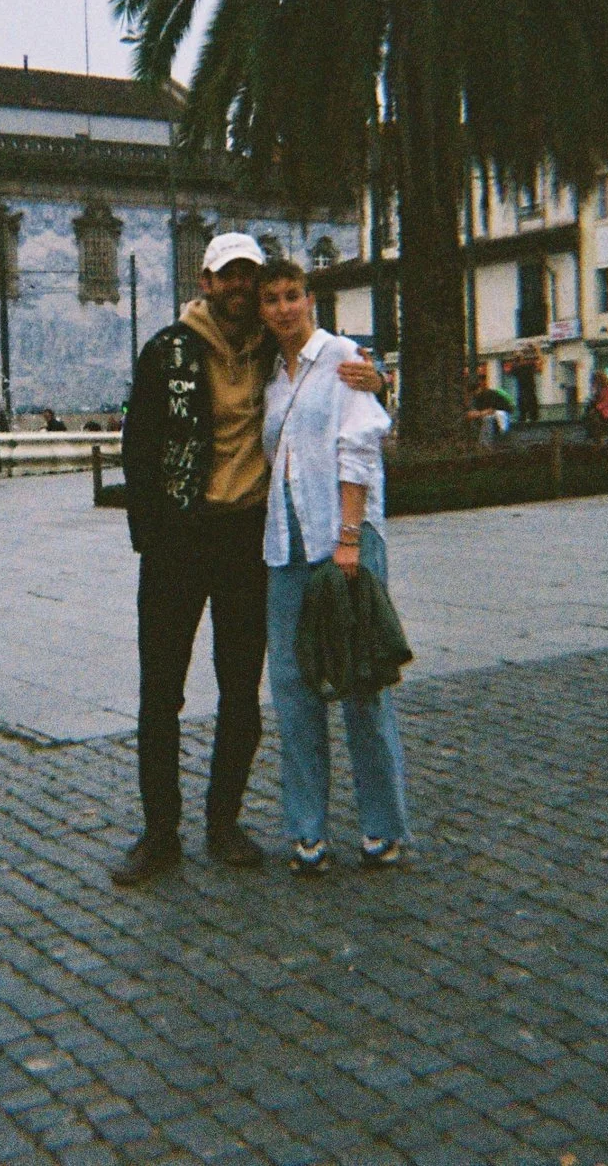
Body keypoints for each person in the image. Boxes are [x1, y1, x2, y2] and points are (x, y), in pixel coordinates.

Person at [113, 232, 384, 886]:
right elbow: (138, 444)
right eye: (226, 276)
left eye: (249, 277)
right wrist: (150, 535)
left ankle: (223, 821)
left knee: (240, 690)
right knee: (161, 692)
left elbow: (340, 379)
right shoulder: (168, 351)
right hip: (180, 541)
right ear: (205, 282)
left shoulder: (273, 348)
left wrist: (381, 379)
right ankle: (159, 834)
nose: (239, 287)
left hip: (244, 541)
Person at [256, 258, 408, 874]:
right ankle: (307, 830)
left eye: (292, 295)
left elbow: (359, 448)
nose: (283, 308)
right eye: (271, 299)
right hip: (286, 545)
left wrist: (348, 539)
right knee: (293, 689)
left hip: (342, 539)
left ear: (310, 299)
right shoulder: (270, 378)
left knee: (361, 684)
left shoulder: (344, 356)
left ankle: (382, 827)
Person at [582, 370, 608, 445]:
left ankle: (599, 436)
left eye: (595, 381)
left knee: (594, 417)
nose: (594, 383)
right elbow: (598, 399)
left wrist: (596, 408)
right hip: (602, 409)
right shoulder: (600, 388)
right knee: (588, 414)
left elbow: (607, 401)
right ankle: (593, 435)